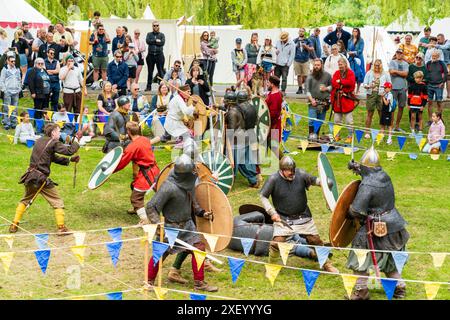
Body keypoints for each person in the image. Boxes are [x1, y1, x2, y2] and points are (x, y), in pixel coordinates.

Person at [144, 154, 219, 292]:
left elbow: (192, 201)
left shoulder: (188, 182)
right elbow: (151, 207)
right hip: (171, 228)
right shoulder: (169, 187)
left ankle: (199, 283)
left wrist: (201, 212)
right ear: (183, 174)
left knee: (199, 248)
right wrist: (159, 226)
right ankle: (149, 282)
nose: (193, 174)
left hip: (188, 225)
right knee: (160, 253)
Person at [346, 147, 410, 300]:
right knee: (390, 258)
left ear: (365, 168)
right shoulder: (384, 176)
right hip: (394, 224)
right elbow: (369, 173)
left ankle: (361, 292)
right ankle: (398, 287)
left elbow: (356, 210)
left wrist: (345, 210)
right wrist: (357, 168)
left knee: (359, 255)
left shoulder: (367, 185)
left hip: (375, 226)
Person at [260, 156, 338, 273]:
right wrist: (272, 212)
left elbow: (314, 180)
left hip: (303, 216)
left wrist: (323, 183)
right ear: (282, 170)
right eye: (288, 170)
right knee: (277, 243)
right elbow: (263, 196)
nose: (291, 172)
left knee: (315, 241)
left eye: (292, 170)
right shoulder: (273, 179)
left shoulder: (300, 174)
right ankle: (272, 267)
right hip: (284, 218)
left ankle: (326, 264)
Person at [9, 123, 81, 234]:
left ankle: (14, 224)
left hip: (30, 176)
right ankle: (61, 228)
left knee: (25, 200)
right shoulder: (53, 142)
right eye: (58, 131)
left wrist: (70, 160)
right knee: (57, 201)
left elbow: (53, 157)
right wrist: (77, 140)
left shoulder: (39, 141)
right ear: (53, 133)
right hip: (41, 179)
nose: (59, 133)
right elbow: (69, 151)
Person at [113, 121, 160, 223]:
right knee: (134, 185)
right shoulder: (145, 139)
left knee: (136, 198)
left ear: (128, 132)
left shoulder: (132, 147)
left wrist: (110, 170)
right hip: (155, 170)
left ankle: (146, 220)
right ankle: (137, 209)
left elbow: (122, 162)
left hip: (147, 174)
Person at [363, 59, 391, 139]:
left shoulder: (385, 74)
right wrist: (369, 86)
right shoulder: (369, 73)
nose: (377, 67)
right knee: (370, 113)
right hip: (371, 94)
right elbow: (364, 83)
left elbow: (389, 84)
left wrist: (385, 92)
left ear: (381, 65)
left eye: (378, 65)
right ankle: (367, 131)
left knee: (381, 113)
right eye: (375, 65)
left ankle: (382, 131)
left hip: (381, 95)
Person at [331, 57, 357, 143]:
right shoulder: (336, 73)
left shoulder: (350, 73)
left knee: (349, 120)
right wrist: (341, 84)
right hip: (337, 100)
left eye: (341, 64)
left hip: (347, 100)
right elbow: (334, 82)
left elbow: (351, 83)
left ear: (345, 64)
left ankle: (350, 136)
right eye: (339, 65)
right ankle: (337, 136)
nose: (340, 66)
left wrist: (341, 81)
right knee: (337, 120)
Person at [305, 58, 332, 140]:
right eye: (315, 65)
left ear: (322, 65)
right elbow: (307, 91)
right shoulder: (310, 76)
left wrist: (326, 88)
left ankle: (316, 138)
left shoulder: (328, 75)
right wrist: (311, 99)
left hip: (324, 103)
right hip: (313, 102)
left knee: (320, 121)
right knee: (312, 120)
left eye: (318, 65)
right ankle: (311, 138)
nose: (316, 67)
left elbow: (332, 86)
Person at [27, 58, 51, 131]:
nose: (40, 65)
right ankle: (37, 126)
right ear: (35, 64)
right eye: (39, 63)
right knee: (38, 110)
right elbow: (30, 82)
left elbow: (48, 80)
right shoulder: (32, 71)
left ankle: (44, 126)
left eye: (42, 63)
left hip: (46, 94)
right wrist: (33, 92)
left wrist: (50, 90)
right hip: (38, 94)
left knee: (45, 110)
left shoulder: (44, 70)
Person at [389, 48, 409, 132]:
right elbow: (391, 72)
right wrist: (401, 73)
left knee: (401, 107)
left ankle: (397, 126)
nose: (399, 54)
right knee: (392, 107)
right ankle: (391, 126)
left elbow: (406, 74)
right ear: (396, 54)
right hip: (393, 87)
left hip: (403, 88)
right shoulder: (392, 62)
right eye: (397, 53)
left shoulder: (405, 63)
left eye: (400, 53)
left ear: (402, 54)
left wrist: (396, 72)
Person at [0, 51, 22, 130]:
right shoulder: (5, 70)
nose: (13, 62)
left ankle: (13, 123)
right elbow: (1, 81)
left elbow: (19, 80)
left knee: (14, 108)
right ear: (8, 61)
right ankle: (6, 123)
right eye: (12, 61)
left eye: (14, 61)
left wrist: (19, 88)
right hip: (8, 92)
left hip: (16, 92)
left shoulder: (17, 70)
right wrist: (4, 90)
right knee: (7, 108)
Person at [426, 49, 448, 124]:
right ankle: (430, 119)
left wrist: (443, 82)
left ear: (438, 56)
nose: (434, 57)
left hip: (439, 85)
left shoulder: (442, 63)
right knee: (430, 102)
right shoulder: (428, 63)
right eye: (433, 56)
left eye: (435, 56)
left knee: (439, 102)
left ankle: (439, 119)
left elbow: (446, 73)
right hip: (430, 85)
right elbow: (426, 73)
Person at [265, 75, 283, 156]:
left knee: (274, 148)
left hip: (273, 125)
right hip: (269, 125)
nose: (267, 84)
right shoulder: (271, 94)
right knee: (269, 145)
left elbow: (273, 114)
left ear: (272, 84)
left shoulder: (276, 96)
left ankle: (286, 164)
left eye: (268, 82)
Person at [89, 24, 111, 90]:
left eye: (102, 29)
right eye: (100, 29)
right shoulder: (93, 35)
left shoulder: (105, 35)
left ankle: (104, 83)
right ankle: (95, 83)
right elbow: (89, 42)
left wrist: (106, 33)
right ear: (97, 30)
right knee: (96, 70)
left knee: (104, 70)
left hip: (104, 55)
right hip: (96, 55)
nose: (101, 30)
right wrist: (94, 40)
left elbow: (109, 41)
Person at [145, 21, 165, 91]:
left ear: (159, 26)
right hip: (150, 55)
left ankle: (163, 87)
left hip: (159, 55)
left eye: (157, 25)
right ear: (152, 26)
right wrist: (156, 41)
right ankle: (148, 86)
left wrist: (153, 41)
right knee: (150, 72)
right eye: (154, 25)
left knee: (161, 72)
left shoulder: (162, 35)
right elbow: (148, 41)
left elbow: (162, 43)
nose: (155, 27)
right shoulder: (149, 34)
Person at [293, 28, 314, 94]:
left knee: (306, 75)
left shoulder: (308, 40)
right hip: (297, 60)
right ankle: (300, 88)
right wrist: (295, 46)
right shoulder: (295, 40)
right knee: (298, 75)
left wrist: (306, 47)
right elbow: (291, 49)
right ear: (298, 32)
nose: (301, 32)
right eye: (300, 31)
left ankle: (307, 88)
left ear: (304, 33)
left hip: (305, 60)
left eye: (302, 31)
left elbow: (312, 49)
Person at [347, 28, 365, 94]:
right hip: (351, 58)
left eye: (356, 31)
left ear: (358, 32)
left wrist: (354, 52)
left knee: (359, 73)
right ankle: (353, 89)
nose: (354, 32)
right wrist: (349, 52)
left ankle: (358, 89)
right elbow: (348, 49)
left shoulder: (361, 40)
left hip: (359, 58)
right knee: (352, 73)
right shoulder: (349, 40)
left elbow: (361, 50)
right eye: (353, 31)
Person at [435, 34, 450, 99]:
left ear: (443, 38)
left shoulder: (448, 42)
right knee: (441, 79)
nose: (437, 40)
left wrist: (436, 45)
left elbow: (445, 47)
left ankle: (449, 94)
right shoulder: (437, 44)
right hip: (440, 64)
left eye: (439, 39)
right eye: (437, 39)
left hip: (448, 64)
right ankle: (440, 94)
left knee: (448, 79)